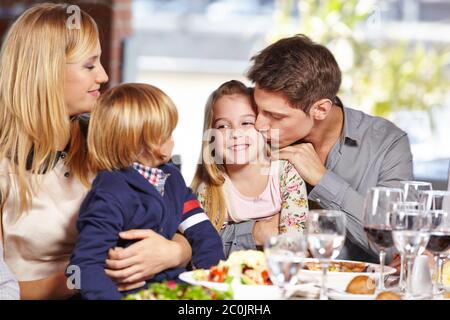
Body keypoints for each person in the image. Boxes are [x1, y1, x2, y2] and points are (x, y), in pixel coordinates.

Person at [0, 3, 191, 299]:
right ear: (45, 72)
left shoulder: (108, 140)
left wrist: (174, 252)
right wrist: (90, 273)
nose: (103, 75)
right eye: (89, 65)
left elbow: (181, 212)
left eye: (99, 62)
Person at [232, 34, 413, 263]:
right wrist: (255, 232)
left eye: (276, 116)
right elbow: (204, 228)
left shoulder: (388, 144)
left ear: (320, 109)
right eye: (259, 109)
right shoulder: (250, 137)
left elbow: (395, 244)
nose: (259, 124)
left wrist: (323, 179)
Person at [68, 83, 224, 300]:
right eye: (167, 133)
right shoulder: (109, 194)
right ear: (146, 142)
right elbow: (84, 265)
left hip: (173, 292)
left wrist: (214, 282)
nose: (173, 139)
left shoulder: (172, 179)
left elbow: (200, 229)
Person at [191, 80, 308, 257]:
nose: (236, 134)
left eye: (246, 123)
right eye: (223, 126)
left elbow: (294, 245)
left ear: (263, 126)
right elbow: (206, 251)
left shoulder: (285, 174)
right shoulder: (211, 190)